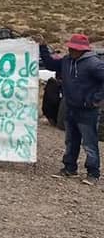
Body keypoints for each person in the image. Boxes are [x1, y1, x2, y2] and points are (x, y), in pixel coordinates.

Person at [39, 34, 104, 184]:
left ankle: (93, 174)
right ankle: (69, 168)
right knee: (71, 140)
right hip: (71, 107)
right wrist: (42, 46)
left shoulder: (94, 64)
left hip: (87, 111)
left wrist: (95, 100)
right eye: (70, 47)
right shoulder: (67, 60)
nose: (70, 50)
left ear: (82, 50)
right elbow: (49, 64)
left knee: (89, 143)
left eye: (74, 48)